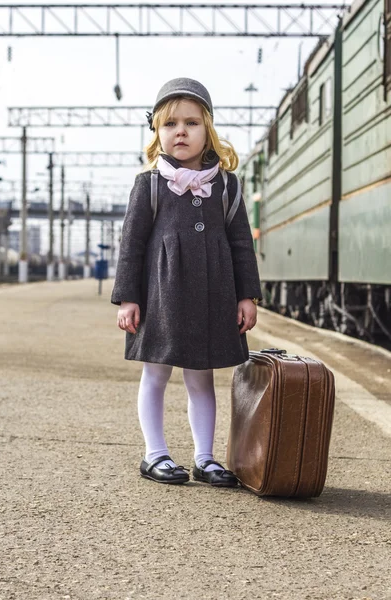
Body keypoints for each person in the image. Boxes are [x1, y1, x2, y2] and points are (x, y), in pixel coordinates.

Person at [111, 77, 262, 487]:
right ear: (157, 132)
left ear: (207, 129)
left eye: (192, 123)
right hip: (160, 294)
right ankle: (154, 454)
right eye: (170, 124)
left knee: (202, 377)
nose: (181, 131)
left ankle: (205, 457)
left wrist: (247, 295)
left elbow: (241, 243)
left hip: (212, 295)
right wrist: (127, 298)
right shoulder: (150, 184)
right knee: (156, 373)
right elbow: (132, 243)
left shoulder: (227, 185)